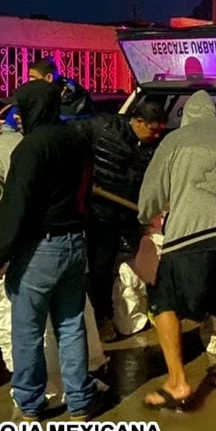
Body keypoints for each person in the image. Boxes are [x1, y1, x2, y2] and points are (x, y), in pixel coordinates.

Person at [0, 80, 99, 421]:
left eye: (20, 108)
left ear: (35, 108)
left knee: (28, 330)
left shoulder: (30, 148)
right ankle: (79, 400)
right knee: (70, 324)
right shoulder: (78, 141)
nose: (17, 116)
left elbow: (15, 207)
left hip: (40, 249)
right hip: (76, 243)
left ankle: (31, 402)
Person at [138, 90, 216, 409]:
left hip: (190, 236)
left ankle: (177, 382)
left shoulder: (176, 141)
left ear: (187, 114)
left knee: (164, 304)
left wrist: (144, 215)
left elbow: (152, 191)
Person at [69, 99, 166, 335]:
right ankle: (103, 317)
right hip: (101, 214)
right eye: (152, 130)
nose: (155, 136)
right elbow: (69, 137)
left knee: (150, 262)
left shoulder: (154, 147)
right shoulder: (103, 127)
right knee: (100, 267)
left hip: (133, 213)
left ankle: (160, 308)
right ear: (138, 121)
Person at [28, 58, 94, 119]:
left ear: (49, 77)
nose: (30, 81)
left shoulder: (71, 95)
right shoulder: (47, 91)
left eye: (34, 77)